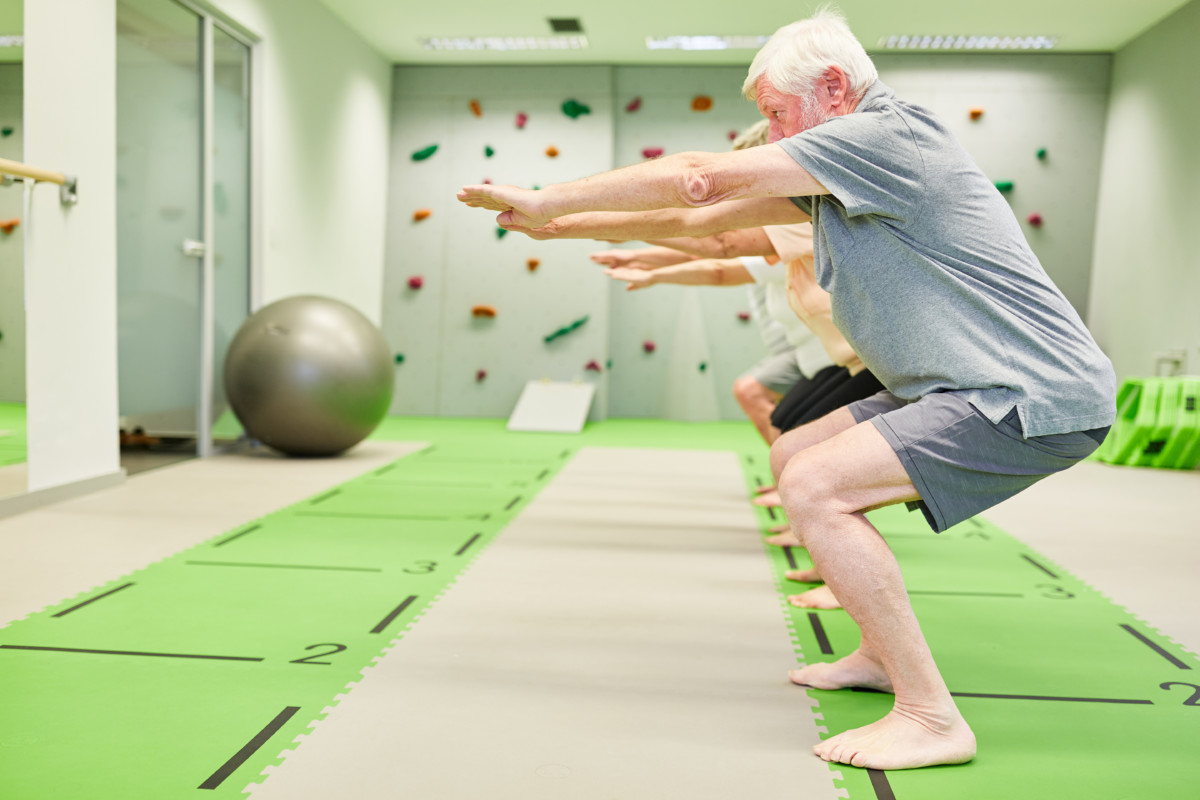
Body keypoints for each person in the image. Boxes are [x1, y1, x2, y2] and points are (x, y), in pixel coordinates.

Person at [457, 7, 1115, 771]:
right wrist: (560, 228)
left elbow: (698, 179)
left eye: (775, 114)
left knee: (816, 486)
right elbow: (702, 219)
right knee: (799, 447)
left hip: (1026, 392)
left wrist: (551, 198)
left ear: (834, 88)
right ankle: (877, 652)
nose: (771, 135)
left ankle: (930, 716)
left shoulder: (888, 137)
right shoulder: (838, 173)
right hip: (947, 385)